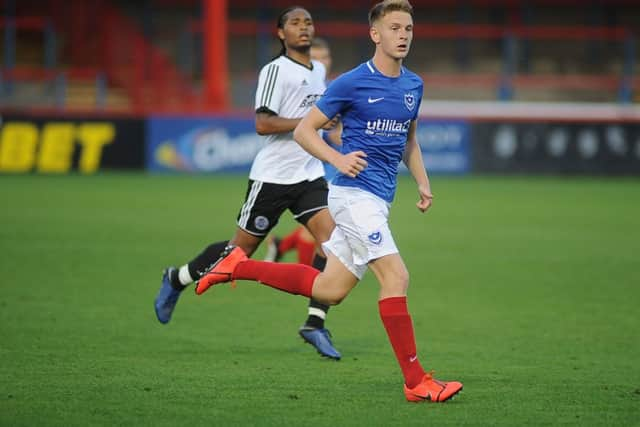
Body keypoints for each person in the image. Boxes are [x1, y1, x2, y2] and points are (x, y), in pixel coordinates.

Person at [195, 0, 463, 402]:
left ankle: (238, 265)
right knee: (396, 277)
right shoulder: (352, 83)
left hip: (378, 199)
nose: (403, 35)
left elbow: (409, 140)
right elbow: (305, 130)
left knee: (329, 288)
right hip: (353, 198)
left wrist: (422, 183)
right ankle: (416, 382)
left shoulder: (413, 86)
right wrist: (337, 159)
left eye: (408, 28)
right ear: (375, 34)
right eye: (394, 28)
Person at [154, 6, 342, 360]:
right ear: (280, 33)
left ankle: (314, 324)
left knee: (335, 243)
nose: (303, 28)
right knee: (239, 253)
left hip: (309, 176)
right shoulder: (274, 71)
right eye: (295, 23)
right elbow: (263, 124)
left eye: (308, 22)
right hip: (272, 178)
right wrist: (310, 121)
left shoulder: (318, 71)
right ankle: (176, 278)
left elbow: (321, 116)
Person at [264, 37, 340, 267]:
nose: (320, 62)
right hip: (308, 166)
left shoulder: (335, 89)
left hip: (331, 164)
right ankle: (309, 280)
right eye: (315, 58)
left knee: (323, 229)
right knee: (321, 230)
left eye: (324, 57)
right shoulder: (300, 89)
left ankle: (281, 247)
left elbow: (337, 133)